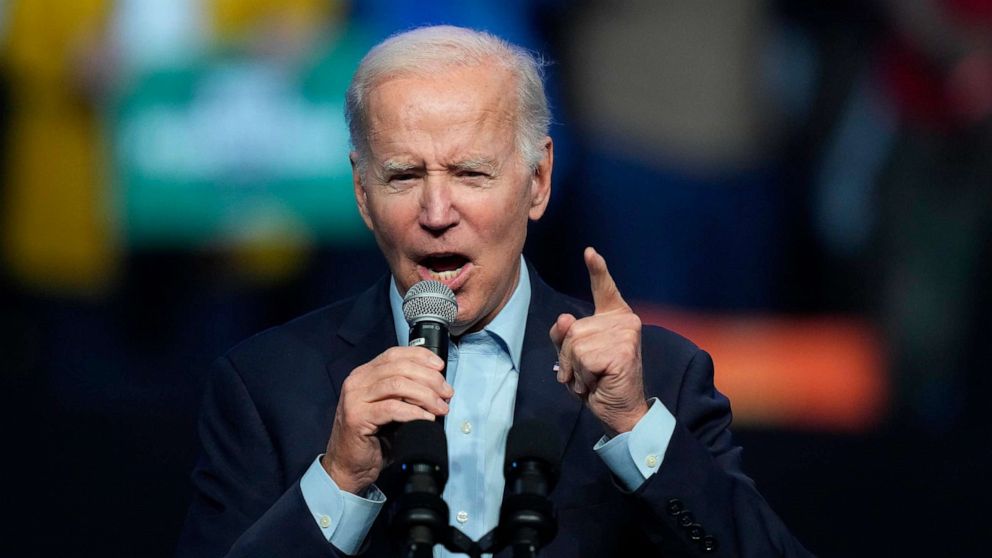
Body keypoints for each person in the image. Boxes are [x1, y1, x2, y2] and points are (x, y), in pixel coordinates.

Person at [177, 25, 811, 557]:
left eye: (469, 173)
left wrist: (634, 428)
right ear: (362, 194)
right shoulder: (263, 385)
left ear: (537, 181)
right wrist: (339, 482)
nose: (435, 210)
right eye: (402, 175)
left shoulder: (659, 379)